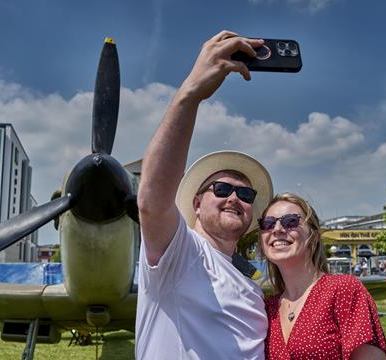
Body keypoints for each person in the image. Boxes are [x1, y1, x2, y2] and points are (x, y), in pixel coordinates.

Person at [135, 30, 273, 359]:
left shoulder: (250, 277)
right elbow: (152, 202)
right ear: (196, 203)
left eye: (245, 193)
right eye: (222, 189)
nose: (235, 198)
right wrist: (189, 95)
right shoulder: (181, 252)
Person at [259, 193, 386, 359]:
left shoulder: (343, 290)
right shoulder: (267, 308)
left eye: (290, 221)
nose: (277, 229)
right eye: (268, 223)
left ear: (314, 237)